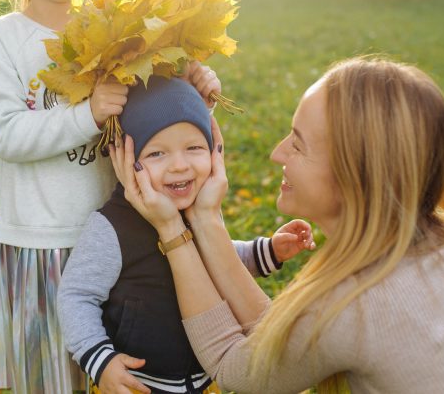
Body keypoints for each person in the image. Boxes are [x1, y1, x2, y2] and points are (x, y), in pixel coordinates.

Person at [112, 58, 444, 393]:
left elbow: (235, 366)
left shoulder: (357, 301)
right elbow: (282, 337)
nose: (276, 152)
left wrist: (171, 230)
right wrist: (205, 217)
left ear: (353, 177)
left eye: (298, 145)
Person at [0, 0, 222, 391]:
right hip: (43, 243)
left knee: (117, 368)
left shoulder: (122, 34)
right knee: (51, 379)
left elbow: (155, 125)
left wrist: (193, 93)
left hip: (121, 240)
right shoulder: (3, 37)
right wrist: (87, 114)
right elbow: (7, 134)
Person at [57, 76, 316, 394]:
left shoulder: (198, 207)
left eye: (194, 148)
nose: (179, 166)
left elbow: (215, 261)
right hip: (142, 383)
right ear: (126, 159)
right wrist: (100, 359)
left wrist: (266, 252)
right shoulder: (112, 226)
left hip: (205, 377)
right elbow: (77, 296)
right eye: (156, 154)